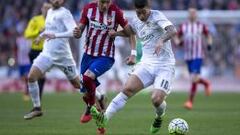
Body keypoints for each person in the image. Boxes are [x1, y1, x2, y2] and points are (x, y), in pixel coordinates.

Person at [90, 0, 177, 134]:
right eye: (138, 13)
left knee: (156, 100)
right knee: (127, 89)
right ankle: (104, 118)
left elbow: (172, 30)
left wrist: (161, 40)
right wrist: (117, 33)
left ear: (149, 8)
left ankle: (159, 116)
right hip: (147, 63)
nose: (141, 16)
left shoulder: (157, 15)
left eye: (144, 12)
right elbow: (130, 31)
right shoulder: (136, 20)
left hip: (165, 65)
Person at [73, 0, 134, 123]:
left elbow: (130, 33)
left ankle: (90, 107)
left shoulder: (116, 12)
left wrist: (117, 34)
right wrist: (77, 32)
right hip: (88, 55)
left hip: (105, 56)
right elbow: (80, 29)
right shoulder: (88, 8)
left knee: (87, 78)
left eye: (107, 2)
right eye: (102, 2)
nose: (105, 6)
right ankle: (100, 98)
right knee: (86, 91)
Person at [23, 0, 82, 120]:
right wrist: (40, 36)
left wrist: (56, 35)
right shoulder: (49, 11)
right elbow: (49, 29)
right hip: (47, 54)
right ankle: (37, 108)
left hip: (63, 56)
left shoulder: (65, 13)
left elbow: (74, 32)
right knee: (31, 77)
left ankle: (99, 96)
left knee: (77, 84)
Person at [175, 8, 213, 110]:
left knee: (193, 78)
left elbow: (208, 35)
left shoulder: (201, 25)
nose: (192, 14)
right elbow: (176, 36)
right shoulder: (184, 26)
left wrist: (209, 44)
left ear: (196, 15)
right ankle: (206, 83)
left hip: (198, 55)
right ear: (188, 15)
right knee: (194, 78)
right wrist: (178, 42)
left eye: (194, 13)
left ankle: (190, 102)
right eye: (190, 13)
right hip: (188, 56)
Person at [24, 2, 52, 101]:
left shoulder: (53, 21)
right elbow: (27, 34)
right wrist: (38, 32)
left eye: (48, 8)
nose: (46, 10)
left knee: (42, 75)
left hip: (47, 51)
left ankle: (38, 96)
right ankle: (28, 92)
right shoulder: (35, 20)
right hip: (35, 51)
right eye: (45, 8)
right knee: (34, 74)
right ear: (41, 9)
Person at [15, 34, 31, 101]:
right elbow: (16, 49)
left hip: (27, 61)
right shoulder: (18, 40)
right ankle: (25, 91)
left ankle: (27, 93)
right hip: (20, 62)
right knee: (22, 78)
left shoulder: (30, 40)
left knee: (26, 77)